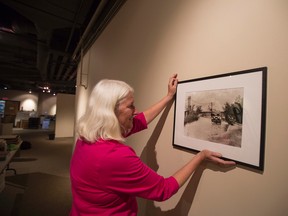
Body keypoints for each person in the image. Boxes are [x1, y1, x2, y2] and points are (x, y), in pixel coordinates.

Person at [70, 74, 235, 216]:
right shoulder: (116, 156)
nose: (135, 111)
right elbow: (164, 189)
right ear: (112, 112)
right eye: (130, 106)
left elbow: (140, 120)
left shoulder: (87, 137)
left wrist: (169, 97)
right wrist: (201, 156)